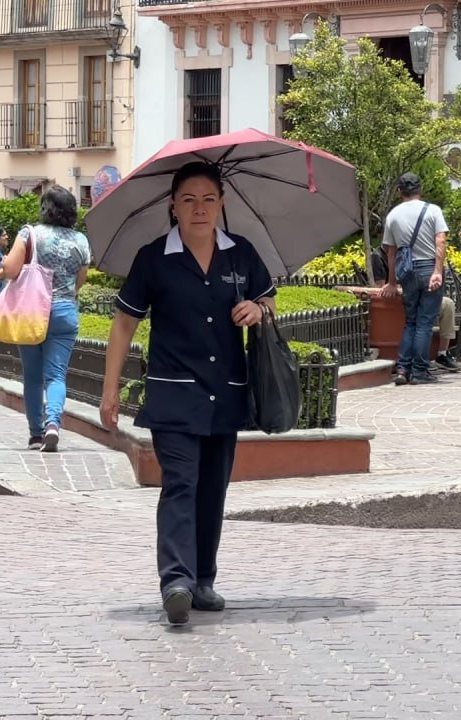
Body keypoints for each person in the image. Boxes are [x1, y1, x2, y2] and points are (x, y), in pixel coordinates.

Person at [100, 161, 275, 626]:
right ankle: (175, 581)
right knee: (180, 483)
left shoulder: (241, 255)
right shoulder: (154, 258)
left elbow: (270, 300)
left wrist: (257, 310)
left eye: (209, 199)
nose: (199, 209)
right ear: (173, 206)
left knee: (213, 489)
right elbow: (123, 325)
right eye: (189, 200)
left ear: (222, 204)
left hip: (227, 391)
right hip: (173, 393)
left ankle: (203, 580)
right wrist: (110, 388)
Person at [0, 186, 90, 453]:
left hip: (31, 312)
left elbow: (12, 271)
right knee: (57, 375)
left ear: (45, 209)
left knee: (33, 377)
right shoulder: (81, 241)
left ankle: (36, 434)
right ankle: (53, 424)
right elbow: (79, 281)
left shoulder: (30, 234)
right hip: (64, 312)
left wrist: (5, 263)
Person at [381, 172, 449, 386]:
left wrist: (392, 282)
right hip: (429, 267)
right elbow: (441, 242)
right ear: (420, 189)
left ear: (400, 191)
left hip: (407, 271)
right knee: (425, 322)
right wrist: (437, 271)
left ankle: (402, 368)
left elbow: (391, 253)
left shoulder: (393, 215)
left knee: (410, 321)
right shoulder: (433, 211)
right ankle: (420, 371)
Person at [369, 245, 460, 375]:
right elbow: (381, 286)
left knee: (448, 304)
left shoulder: (407, 251)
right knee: (419, 322)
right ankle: (415, 363)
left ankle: (442, 353)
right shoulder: (378, 257)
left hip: (417, 292)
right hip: (401, 297)